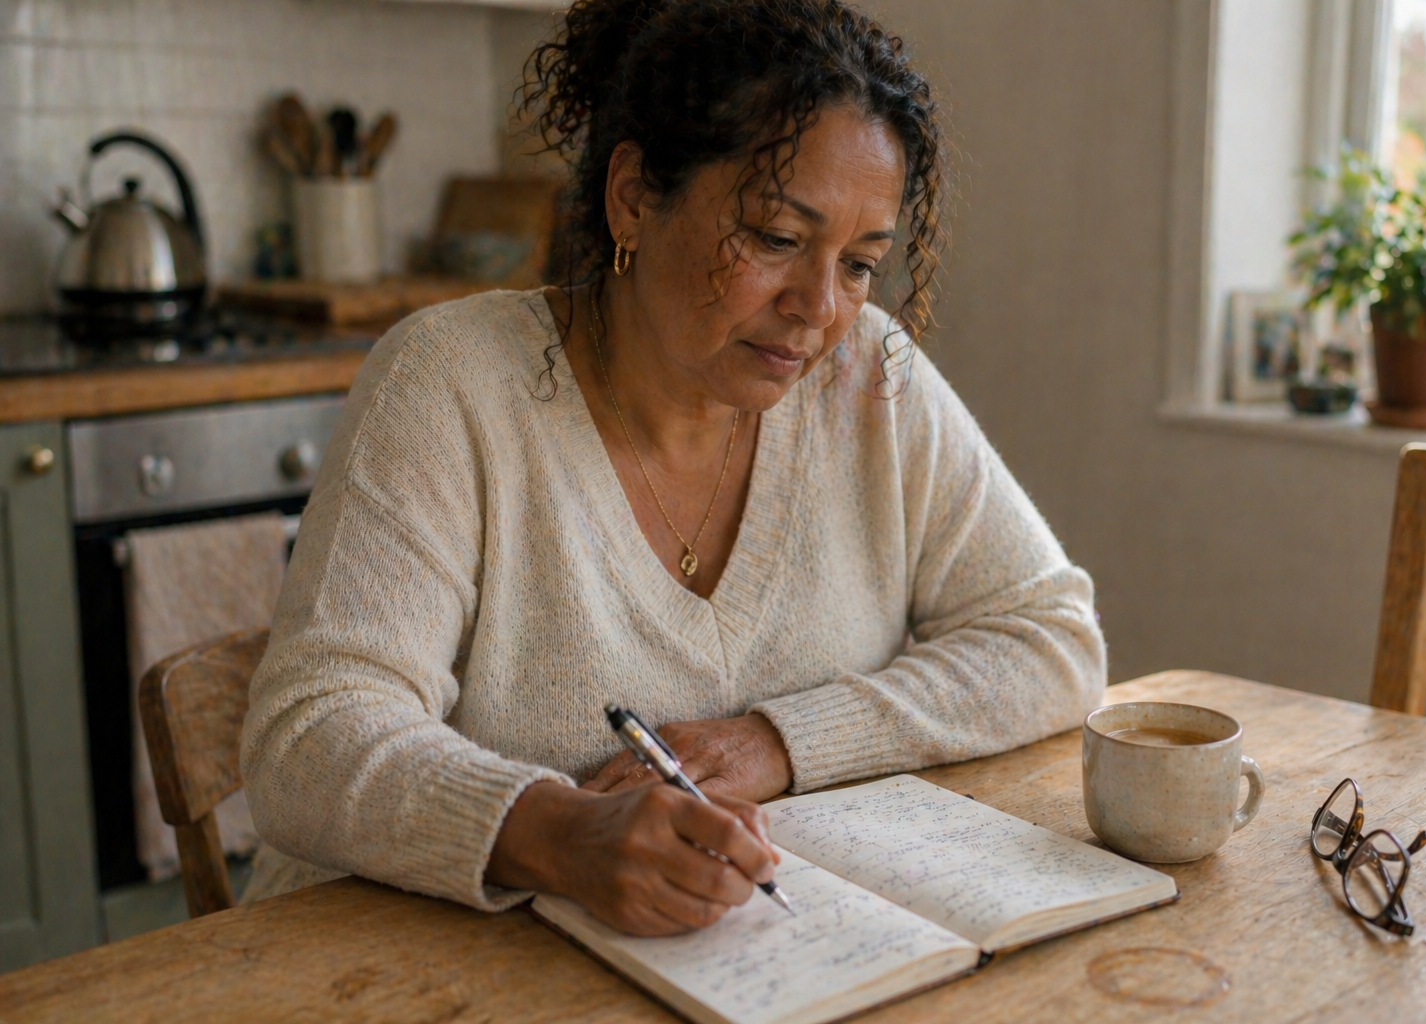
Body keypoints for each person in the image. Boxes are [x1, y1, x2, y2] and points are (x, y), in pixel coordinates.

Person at [240, 0, 1105, 938]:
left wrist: (777, 741)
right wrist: (560, 833)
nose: (818, 307)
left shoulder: (869, 378)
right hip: (381, 969)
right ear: (634, 198)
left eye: (860, 263)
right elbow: (309, 741)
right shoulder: (451, 382)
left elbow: (1051, 638)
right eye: (775, 239)